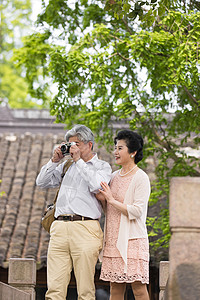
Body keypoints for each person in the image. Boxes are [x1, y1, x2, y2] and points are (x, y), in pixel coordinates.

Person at [36, 124, 112, 300]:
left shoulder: (102, 166)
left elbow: (96, 185)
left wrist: (79, 161)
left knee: (85, 290)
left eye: (76, 144)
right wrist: (54, 161)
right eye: (69, 144)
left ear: (89, 145)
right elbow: (41, 182)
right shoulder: (66, 165)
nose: (71, 148)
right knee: (54, 289)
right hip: (60, 227)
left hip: (85, 227)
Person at [97, 129, 150, 300]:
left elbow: (137, 210)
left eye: (120, 148)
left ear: (133, 152)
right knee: (115, 289)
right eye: (115, 148)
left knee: (139, 289)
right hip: (113, 239)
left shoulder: (141, 178)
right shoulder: (113, 177)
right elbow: (110, 211)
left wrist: (111, 200)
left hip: (133, 240)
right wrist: (103, 201)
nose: (115, 152)